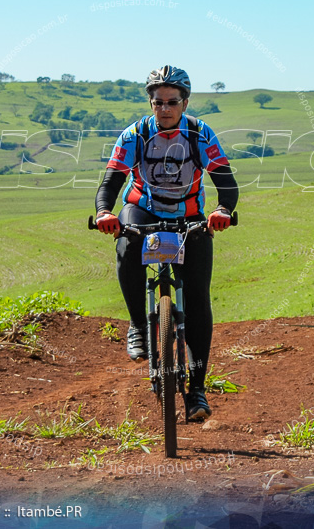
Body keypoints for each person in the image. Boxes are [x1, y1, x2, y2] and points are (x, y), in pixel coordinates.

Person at [94, 65, 239, 421]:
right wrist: (103, 213)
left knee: (197, 298)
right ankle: (139, 326)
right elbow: (111, 181)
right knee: (126, 246)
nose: (164, 108)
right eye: (157, 102)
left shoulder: (200, 134)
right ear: (151, 103)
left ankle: (198, 390)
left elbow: (227, 183)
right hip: (141, 210)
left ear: (185, 103)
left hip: (189, 216)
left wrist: (222, 210)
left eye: (171, 102)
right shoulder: (135, 134)